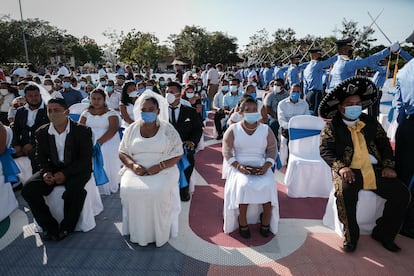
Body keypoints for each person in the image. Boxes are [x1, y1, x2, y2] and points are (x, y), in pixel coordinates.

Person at [319, 76, 410, 253]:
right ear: (340, 106)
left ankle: (384, 233)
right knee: (345, 193)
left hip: (374, 169)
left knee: (402, 193)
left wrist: (389, 166)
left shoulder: (370, 122)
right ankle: (351, 237)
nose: (355, 107)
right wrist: (341, 167)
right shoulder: (332, 126)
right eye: (350, 103)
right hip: (348, 170)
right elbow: (325, 150)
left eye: (358, 103)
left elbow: (384, 145)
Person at [21, 94, 93, 241]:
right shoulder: (42, 132)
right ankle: (49, 227)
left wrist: (65, 173)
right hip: (53, 168)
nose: (53, 114)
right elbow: (40, 156)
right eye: (50, 110)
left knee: (75, 190)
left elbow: (85, 159)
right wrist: (46, 172)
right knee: (28, 189)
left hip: (77, 169)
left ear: (66, 111)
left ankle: (67, 227)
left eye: (57, 110)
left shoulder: (82, 131)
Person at [119, 95, 183, 247]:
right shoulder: (132, 128)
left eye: (150, 109)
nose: (147, 112)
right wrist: (133, 166)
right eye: (143, 110)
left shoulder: (167, 129)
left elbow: (178, 153)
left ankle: (158, 233)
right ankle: (137, 232)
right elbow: (122, 152)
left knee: (157, 191)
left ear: (158, 111)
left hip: (164, 168)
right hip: (136, 168)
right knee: (129, 189)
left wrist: (159, 166)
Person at [222, 97, 278, 238]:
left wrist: (267, 165)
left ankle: (266, 219)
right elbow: (227, 151)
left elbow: (272, 149)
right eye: (247, 110)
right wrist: (238, 166)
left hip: (261, 165)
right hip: (239, 165)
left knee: (268, 184)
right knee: (243, 185)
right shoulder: (233, 129)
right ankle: (242, 221)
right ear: (240, 112)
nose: (252, 113)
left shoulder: (266, 129)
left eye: (254, 110)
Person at [166, 82, 203, 201]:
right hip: (165, 148)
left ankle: (184, 189)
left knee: (188, 160)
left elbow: (197, 129)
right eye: (167, 92)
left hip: (184, 147)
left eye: (171, 92)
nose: (168, 95)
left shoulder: (190, 111)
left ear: (179, 94)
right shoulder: (160, 112)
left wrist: (192, 141)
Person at [79, 89, 121, 195]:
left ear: (104, 100)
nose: (96, 101)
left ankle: (107, 184)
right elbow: (80, 128)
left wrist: (99, 143)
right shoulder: (85, 113)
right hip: (89, 140)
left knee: (104, 152)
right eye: (93, 98)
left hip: (107, 140)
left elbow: (113, 129)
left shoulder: (111, 113)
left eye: (99, 99)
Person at [327, 37, 398, 90]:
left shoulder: (336, 63)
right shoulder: (347, 64)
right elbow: (369, 60)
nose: (352, 51)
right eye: (350, 49)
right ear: (344, 50)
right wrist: (389, 50)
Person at [394, 57, 414, 239]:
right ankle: (408, 224)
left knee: (403, 173)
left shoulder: (403, 71)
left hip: (407, 126)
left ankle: (397, 220)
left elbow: (398, 105)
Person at [12, 84, 49, 171]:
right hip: (22, 145)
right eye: (30, 96)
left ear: (40, 96)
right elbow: (16, 130)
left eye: (36, 95)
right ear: (25, 97)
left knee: (34, 155)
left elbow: (47, 131)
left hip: (41, 145)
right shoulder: (20, 111)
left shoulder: (48, 111)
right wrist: (16, 145)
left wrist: (32, 145)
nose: (34, 98)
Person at [277, 83, 310, 165]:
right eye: (293, 91)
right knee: (284, 142)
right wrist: (291, 127)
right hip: (286, 130)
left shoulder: (304, 104)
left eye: (297, 92)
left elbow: (307, 118)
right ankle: (282, 163)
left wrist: (299, 128)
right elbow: (281, 120)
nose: (295, 93)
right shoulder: (282, 104)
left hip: (299, 130)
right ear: (289, 91)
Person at [302, 48, 338, 115]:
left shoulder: (307, 68)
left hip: (308, 94)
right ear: (314, 56)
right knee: (315, 114)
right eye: (318, 55)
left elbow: (305, 85)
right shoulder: (316, 65)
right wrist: (339, 54)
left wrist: (305, 95)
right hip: (315, 93)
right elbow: (329, 61)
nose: (320, 56)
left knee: (310, 112)